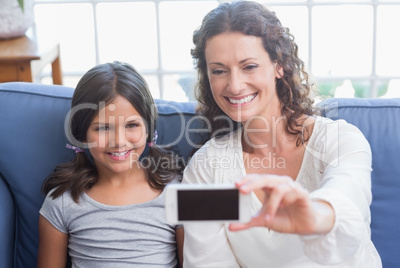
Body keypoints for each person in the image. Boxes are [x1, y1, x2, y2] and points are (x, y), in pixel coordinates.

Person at [182, 1, 382, 267]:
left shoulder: (341, 140)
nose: (234, 84)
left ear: (279, 65)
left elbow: (346, 196)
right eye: (219, 71)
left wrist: (314, 215)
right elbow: (207, 262)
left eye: (249, 66)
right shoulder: (206, 169)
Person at [37, 61, 184, 267]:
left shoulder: (176, 193)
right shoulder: (62, 201)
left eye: (132, 125)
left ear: (149, 129)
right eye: (103, 128)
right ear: (81, 134)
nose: (119, 141)